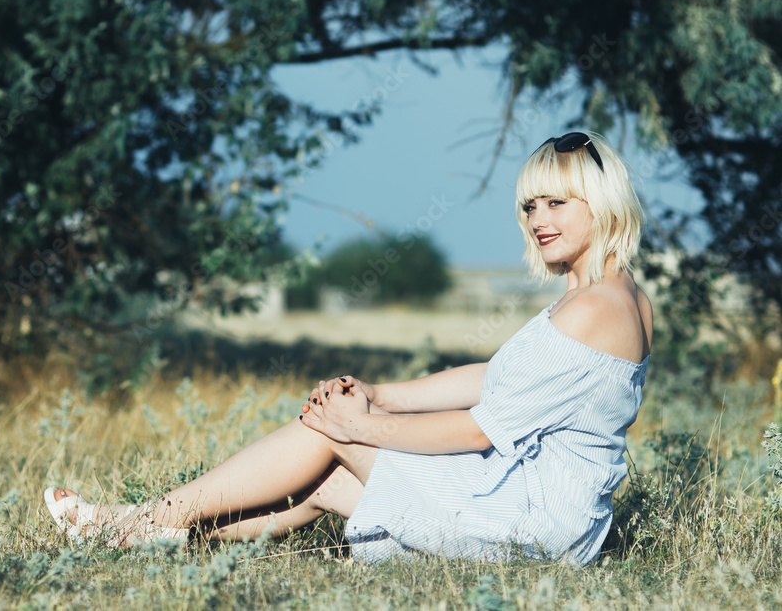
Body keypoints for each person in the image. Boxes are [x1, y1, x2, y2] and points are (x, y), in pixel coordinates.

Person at [44, 131, 652, 565]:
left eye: (556, 203)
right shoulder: (612, 293)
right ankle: (166, 536)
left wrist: (363, 424)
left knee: (329, 436)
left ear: (600, 204)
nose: (538, 219)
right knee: (324, 484)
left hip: (533, 524)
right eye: (529, 205)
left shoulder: (594, 308)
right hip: (542, 510)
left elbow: (478, 430)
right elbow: (495, 378)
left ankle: (135, 521)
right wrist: (380, 394)